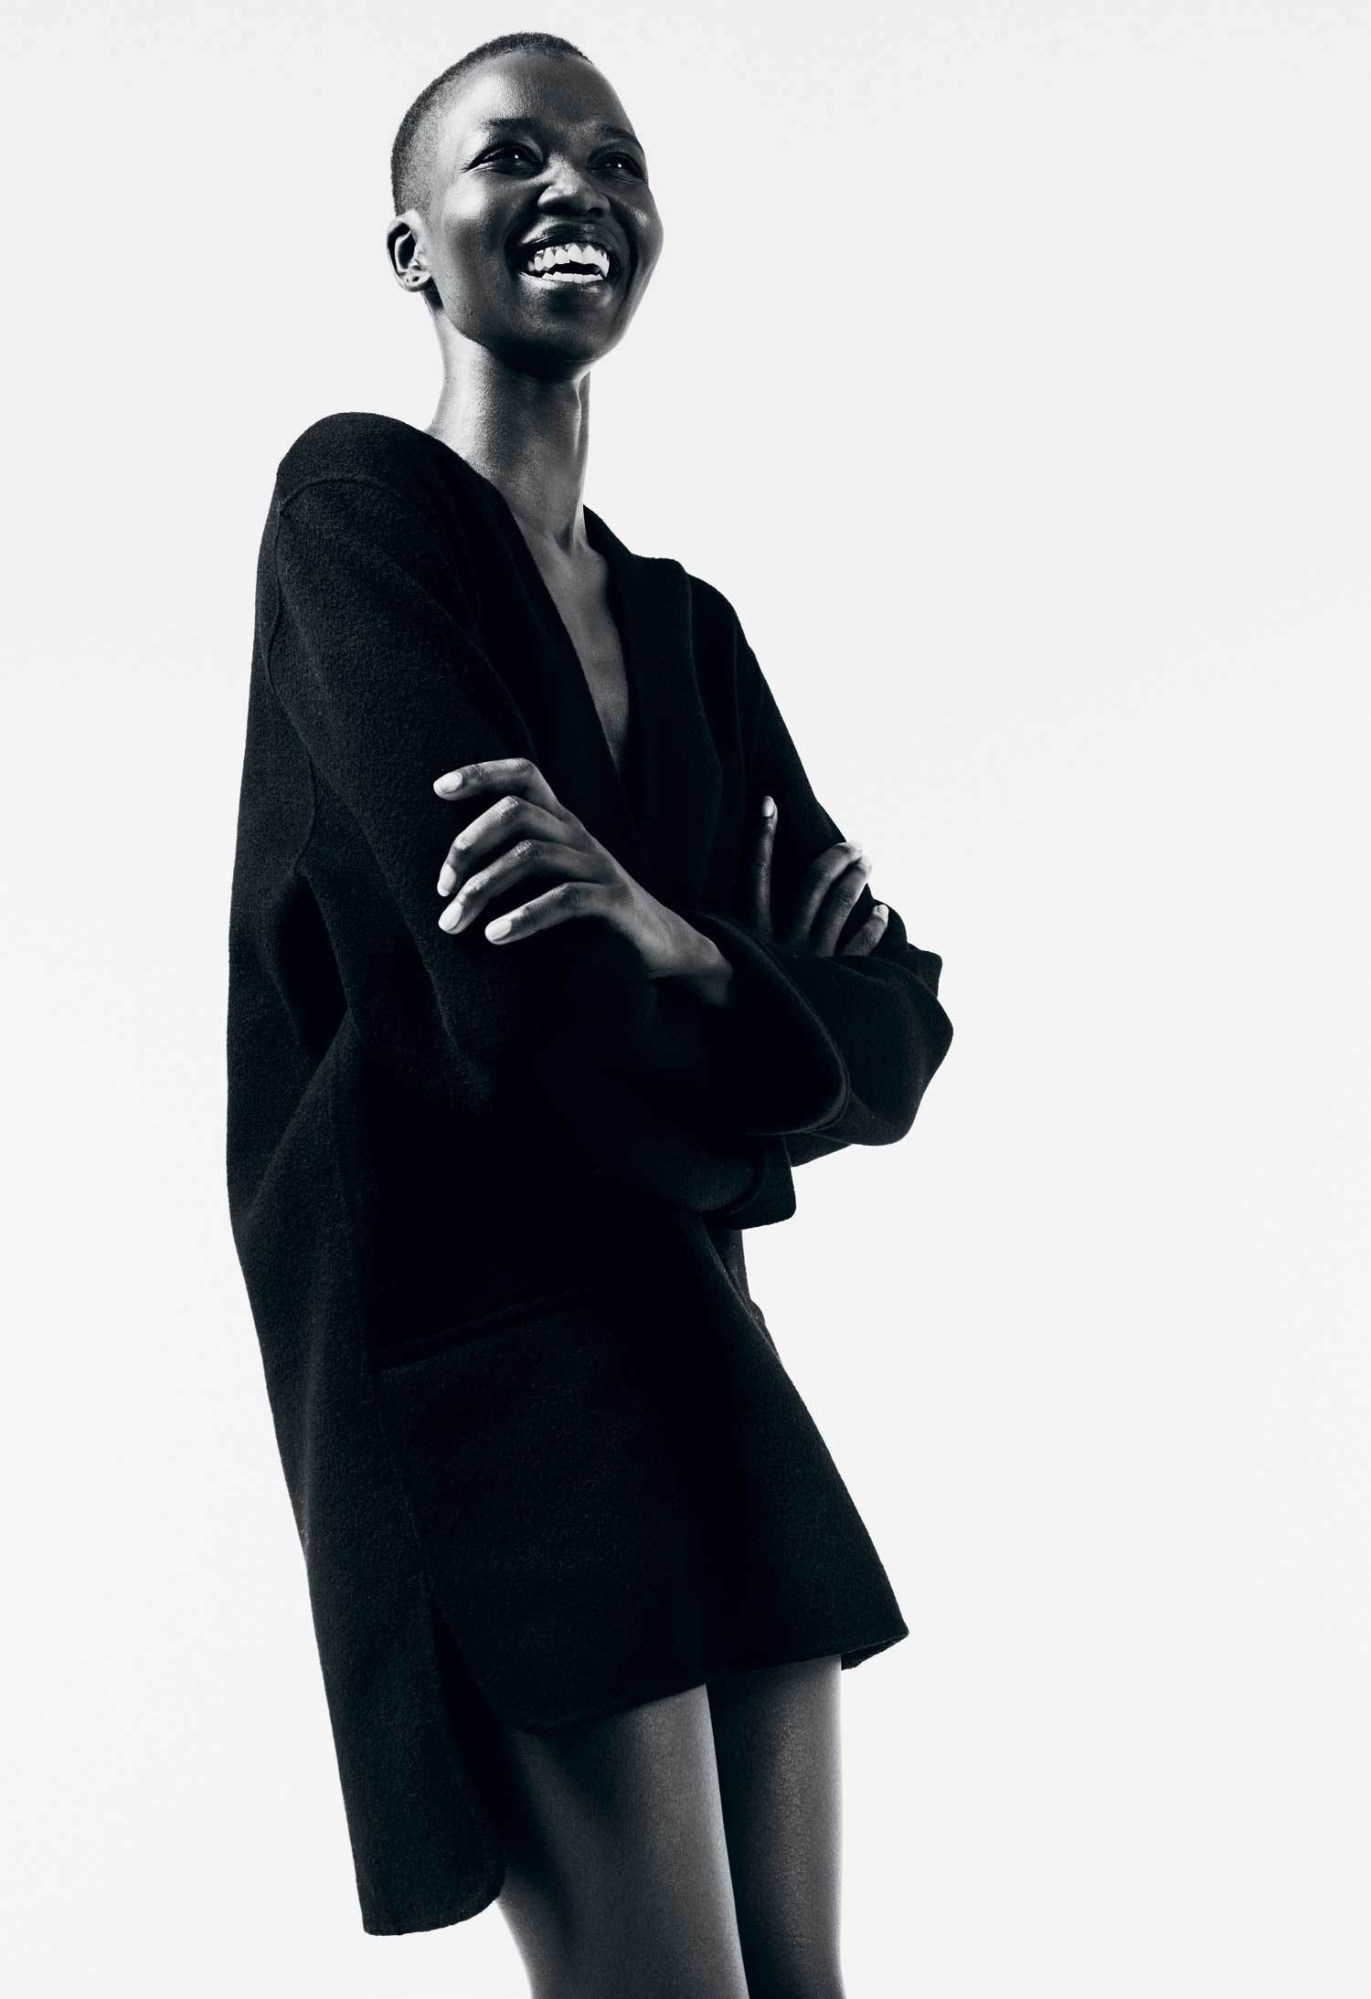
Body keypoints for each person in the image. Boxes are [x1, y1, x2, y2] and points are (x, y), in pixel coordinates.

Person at [226, 29, 954, 1997]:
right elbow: (510, 991)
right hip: (492, 1370)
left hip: (702, 1349)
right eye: (511, 155)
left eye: (617, 159)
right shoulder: (358, 510)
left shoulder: (688, 634)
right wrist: (754, 1031)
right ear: (410, 247)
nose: (579, 191)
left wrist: (678, 943)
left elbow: (899, 1028)